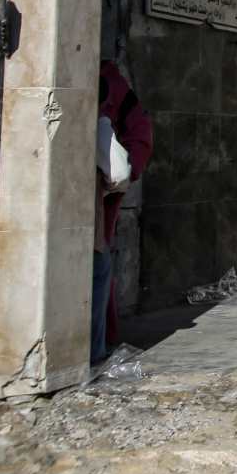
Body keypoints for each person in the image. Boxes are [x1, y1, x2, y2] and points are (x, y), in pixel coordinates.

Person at [96, 61, 152, 348]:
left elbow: (139, 135)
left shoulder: (110, 84)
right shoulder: (108, 82)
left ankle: (96, 347)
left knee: (98, 263)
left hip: (98, 192)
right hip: (96, 188)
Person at [92, 109, 131, 364]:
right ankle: (92, 355)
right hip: (88, 230)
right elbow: (119, 173)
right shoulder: (99, 124)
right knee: (98, 275)